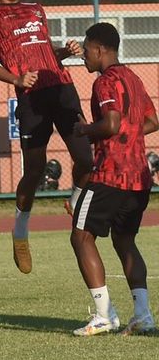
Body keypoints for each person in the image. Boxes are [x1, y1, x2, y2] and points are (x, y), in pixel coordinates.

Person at [0, 0, 91, 274]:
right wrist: (16, 78)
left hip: (62, 87)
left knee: (87, 157)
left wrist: (64, 53)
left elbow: (42, 53)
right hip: (31, 98)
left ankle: (75, 200)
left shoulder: (36, 9)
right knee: (36, 170)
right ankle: (21, 228)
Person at [68, 23, 158, 336]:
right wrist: (130, 137)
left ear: (100, 49)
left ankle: (104, 315)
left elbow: (110, 123)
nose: (84, 55)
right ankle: (144, 315)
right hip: (140, 176)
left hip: (111, 173)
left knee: (81, 236)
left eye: (86, 48)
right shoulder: (133, 77)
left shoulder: (105, 82)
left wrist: (84, 130)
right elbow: (152, 120)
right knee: (124, 239)